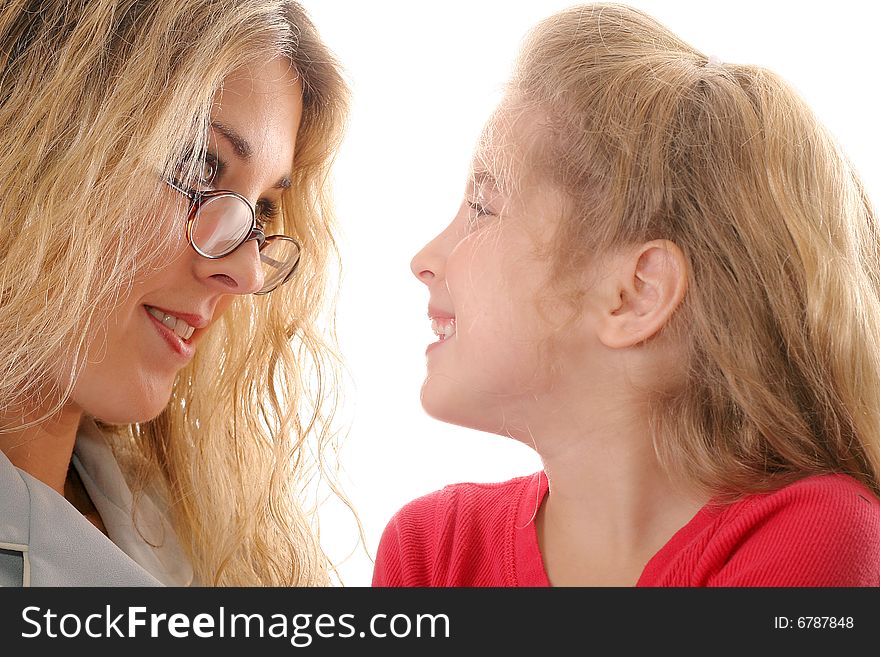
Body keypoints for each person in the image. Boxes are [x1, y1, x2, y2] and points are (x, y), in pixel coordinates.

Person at [373, 3, 880, 586]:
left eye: (483, 208)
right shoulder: (432, 549)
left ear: (635, 295)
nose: (424, 260)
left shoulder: (819, 531)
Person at [0, 0, 350, 586]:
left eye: (263, 208)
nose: (247, 270)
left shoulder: (188, 531)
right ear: (35, 138)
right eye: (197, 165)